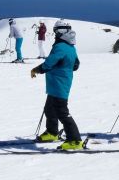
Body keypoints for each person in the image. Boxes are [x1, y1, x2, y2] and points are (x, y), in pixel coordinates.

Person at [31, 20, 83, 150]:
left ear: (60, 31)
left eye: (55, 31)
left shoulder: (60, 47)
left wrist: (36, 70)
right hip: (57, 84)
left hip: (59, 84)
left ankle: (75, 140)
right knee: (49, 108)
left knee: (62, 112)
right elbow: (76, 65)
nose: (54, 34)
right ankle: (52, 132)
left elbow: (49, 64)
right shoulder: (70, 46)